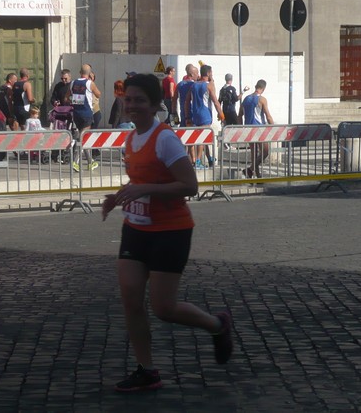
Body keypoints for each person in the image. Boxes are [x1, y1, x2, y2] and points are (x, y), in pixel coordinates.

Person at [101, 73, 233, 392]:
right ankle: (147, 370)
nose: (132, 106)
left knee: (164, 308)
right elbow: (139, 183)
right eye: (128, 99)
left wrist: (144, 188)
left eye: (139, 100)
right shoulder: (131, 139)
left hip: (171, 231)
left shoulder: (165, 139)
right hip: (136, 228)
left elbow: (189, 185)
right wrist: (118, 196)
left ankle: (217, 325)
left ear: (155, 104)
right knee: (131, 299)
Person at [184, 64, 224, 169]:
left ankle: (209, 157)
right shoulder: (209, 85)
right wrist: (221, 114)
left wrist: (187, 116)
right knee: (202, 137)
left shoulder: (194, 85)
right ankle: (197, 161)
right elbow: (215, 101)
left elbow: (187, 101)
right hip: (205, 114)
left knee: (204, 136)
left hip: (195, 114)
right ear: (209, 73)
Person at [66, 64, 101, 171]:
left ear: (79, 72)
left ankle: (90, 162)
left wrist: (74, 100)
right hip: (87, 114)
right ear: (89, 73)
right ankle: (75, 161)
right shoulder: (90, 83)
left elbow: (66, 97)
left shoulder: (72, 83)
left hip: (76, 114)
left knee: (82, 137)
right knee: (82, 137)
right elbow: (98, 94)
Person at [241, 79, 274, 179]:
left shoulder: (246, 99)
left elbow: (239, 115)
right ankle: (251, 170)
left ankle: (256, 174)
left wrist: (240, 128)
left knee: (254, 152)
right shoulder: (262, 99)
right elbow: (268, 116)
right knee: (265, 151)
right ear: (263, 89)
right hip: (259, 128)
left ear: (256, 86)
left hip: (248, 128)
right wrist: (273, 127)